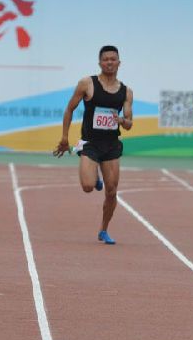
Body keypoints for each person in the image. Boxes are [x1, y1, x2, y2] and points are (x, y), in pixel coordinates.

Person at [53, 46, 134, 245]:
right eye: (106, 59)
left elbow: (129, 123)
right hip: (90, 143)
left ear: (119, 63)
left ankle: (104, 230)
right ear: (100, 62)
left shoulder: (126, 92)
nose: (109, 62)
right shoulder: (87, 84)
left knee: (112, 191)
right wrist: (64, 138)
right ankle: (95, 176)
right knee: (88, 186)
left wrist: (121, 120)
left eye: (113, 59)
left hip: (112, 145)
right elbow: (70, 109)